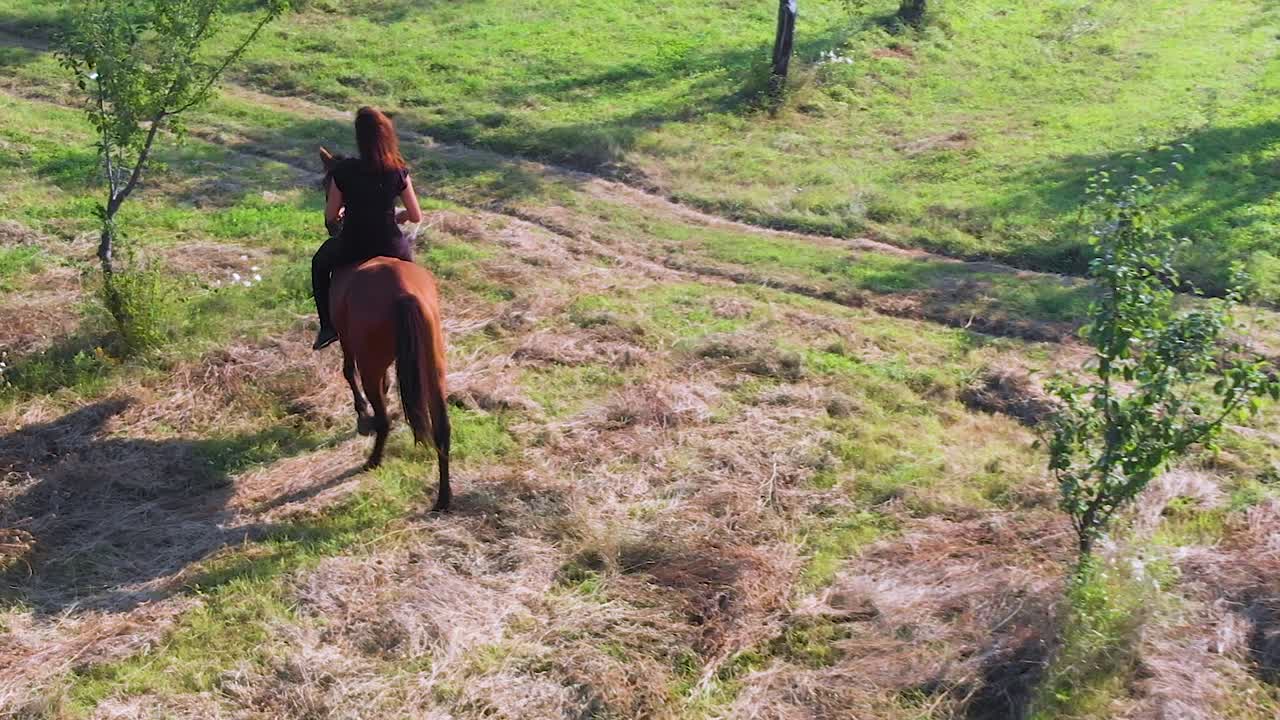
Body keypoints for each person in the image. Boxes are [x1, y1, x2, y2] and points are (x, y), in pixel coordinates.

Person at [312, 107, 423, 350]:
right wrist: (399, 216)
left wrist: (341, 213)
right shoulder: (398, 170)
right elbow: (416, 215)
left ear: (359, 137)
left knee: (319, 263)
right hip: (392, 245)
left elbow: (331, 215)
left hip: (354, 245)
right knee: (414, 281)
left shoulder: (343, 171)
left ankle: (327, 328)